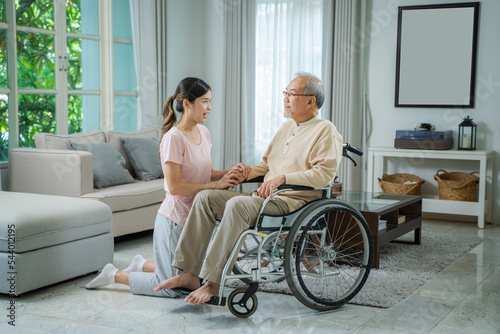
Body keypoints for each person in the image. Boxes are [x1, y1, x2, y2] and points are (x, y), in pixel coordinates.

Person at [154, 74, 343, 304]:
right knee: (205, 198)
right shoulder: (286, 128)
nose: (285, 99)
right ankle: (189, 274)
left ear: (310, 101)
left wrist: (282, 178)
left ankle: (213, 283)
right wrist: (244, 172)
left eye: (290, 94)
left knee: (236, 203)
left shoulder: (326, 130)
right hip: (265, 198)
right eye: (285, 93)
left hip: (292, 202)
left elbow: (323, 175)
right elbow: (266, 166)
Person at [85, 77, 243, 297]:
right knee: (175, 289)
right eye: (205, 101)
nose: (209, 107)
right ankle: (115, 275)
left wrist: (230, 173)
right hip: (175, 221)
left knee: (192, 277)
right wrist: (215, 185)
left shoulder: (203, 133)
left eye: (210, 101)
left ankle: (142, 264)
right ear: (187, 103)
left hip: (197, 221)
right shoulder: (173, 139)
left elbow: (205, 172)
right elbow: (175, 186)